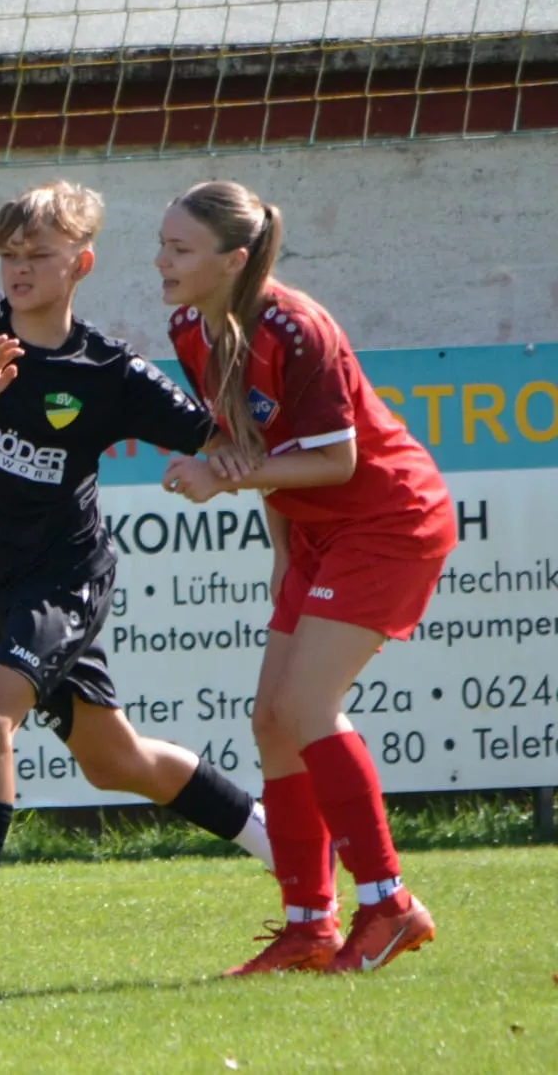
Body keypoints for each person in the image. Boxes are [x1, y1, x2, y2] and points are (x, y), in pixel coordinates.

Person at [0, 179, 274, 996]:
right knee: (115, 762)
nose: (18, 269)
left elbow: (228, 435)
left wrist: (231, 455)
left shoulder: (109, 370)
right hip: (4, 587)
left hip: (66, 580)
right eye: (9, 255)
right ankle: (293, 851)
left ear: (79, 264)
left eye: (38, 255)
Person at [157, 179, 454, 975]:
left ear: (235, 260)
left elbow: (336, 459)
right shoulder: (190, 327)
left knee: (304, 707)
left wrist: (220, 478)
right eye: (163, 245)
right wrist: (283, 553)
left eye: (180, 249)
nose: (162, 262)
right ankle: (308, 927)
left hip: (389, 520)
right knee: (271, 720)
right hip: (318, 535)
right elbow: (253, 447)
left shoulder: (296, 327)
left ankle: (389, 904)